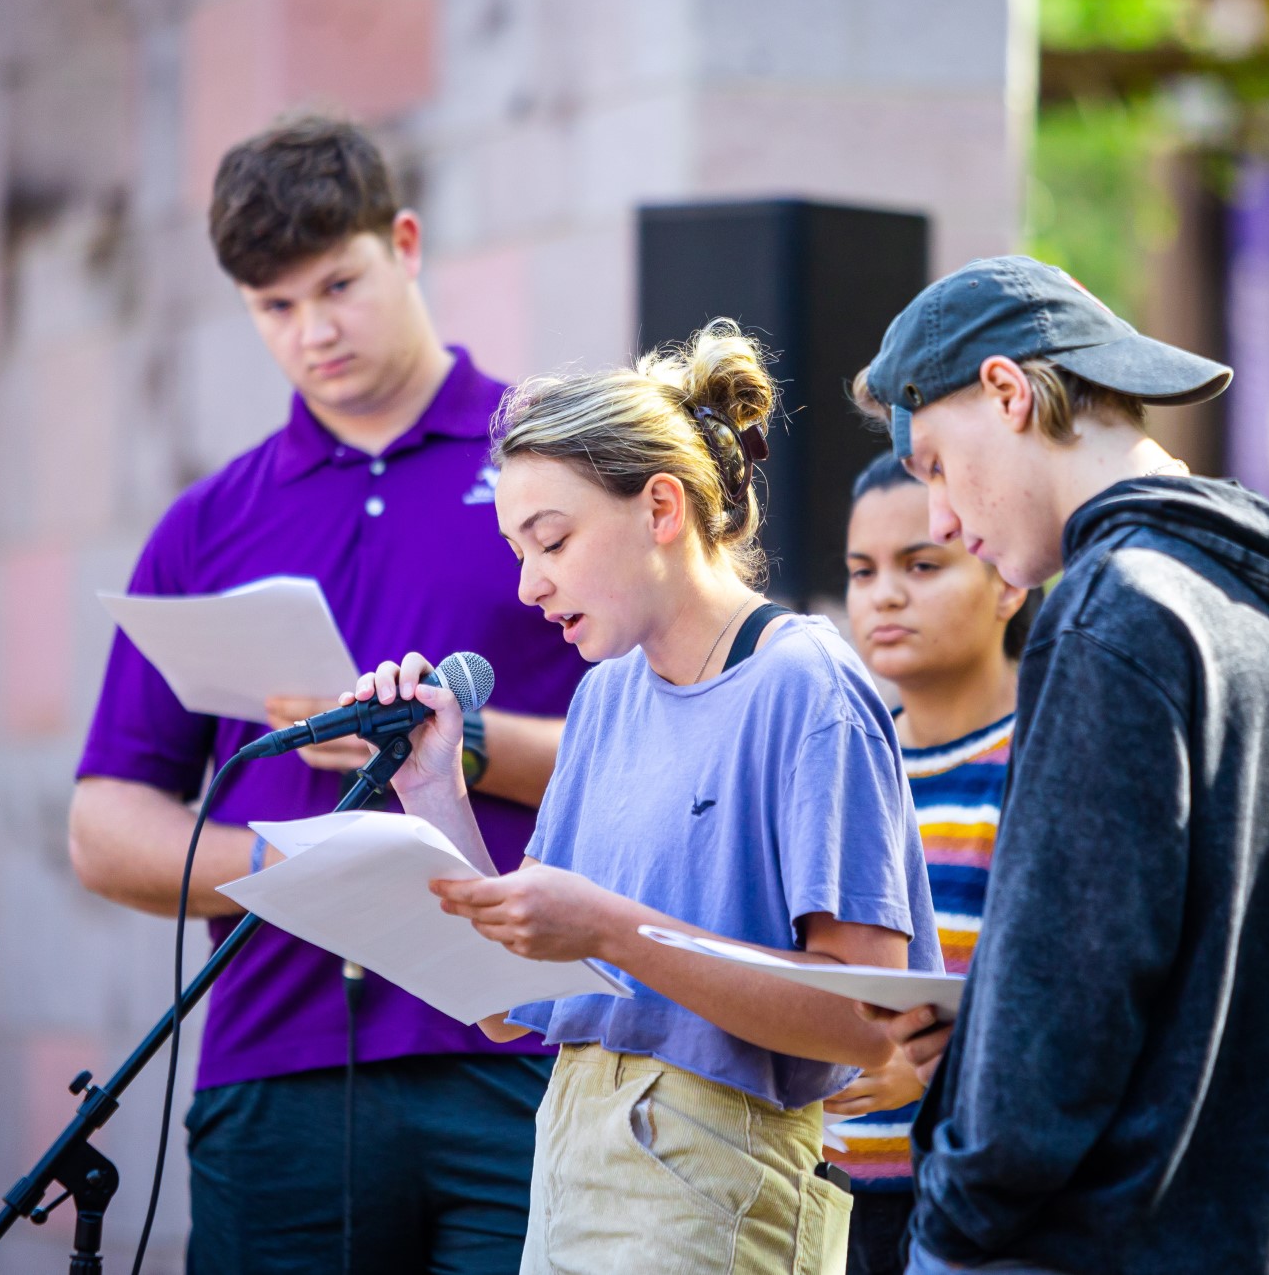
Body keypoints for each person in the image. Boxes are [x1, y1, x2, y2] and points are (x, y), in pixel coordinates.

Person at [68, 116, 588, 1274]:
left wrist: (444, 749)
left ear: (405, 243)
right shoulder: (207, 526)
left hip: (527, 1049)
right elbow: (105, 830)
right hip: (278, 1069)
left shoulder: (556, 469)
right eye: (275, 307)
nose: (315, 332)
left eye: (338, 285)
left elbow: (669, 751)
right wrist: (299, 870)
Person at [342, 321, 943, 1275]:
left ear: (662, 506)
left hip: (719, 1189)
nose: (530, 585)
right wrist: (432, 789)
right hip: (572, 1167)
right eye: (517, 549)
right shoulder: (606, 697)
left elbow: (864, 1023)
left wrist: (615, 931)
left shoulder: (805, 686)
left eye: (552, 540)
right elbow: (512, 1006)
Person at [857, 256, 1269, 1274]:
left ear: (1008, 392)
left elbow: (1066, 1003)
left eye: (929, 461)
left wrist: (950, 1220)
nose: (934, 518)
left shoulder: (1113, 614)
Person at [827, 452, 1039, 1275]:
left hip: (969, 1199)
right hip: (830, 1191)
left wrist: (925, 1075)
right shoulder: (841, 753)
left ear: (1008, 583)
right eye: (861, 570)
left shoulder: (1044, 752)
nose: (884, 593)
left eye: (922, 564)